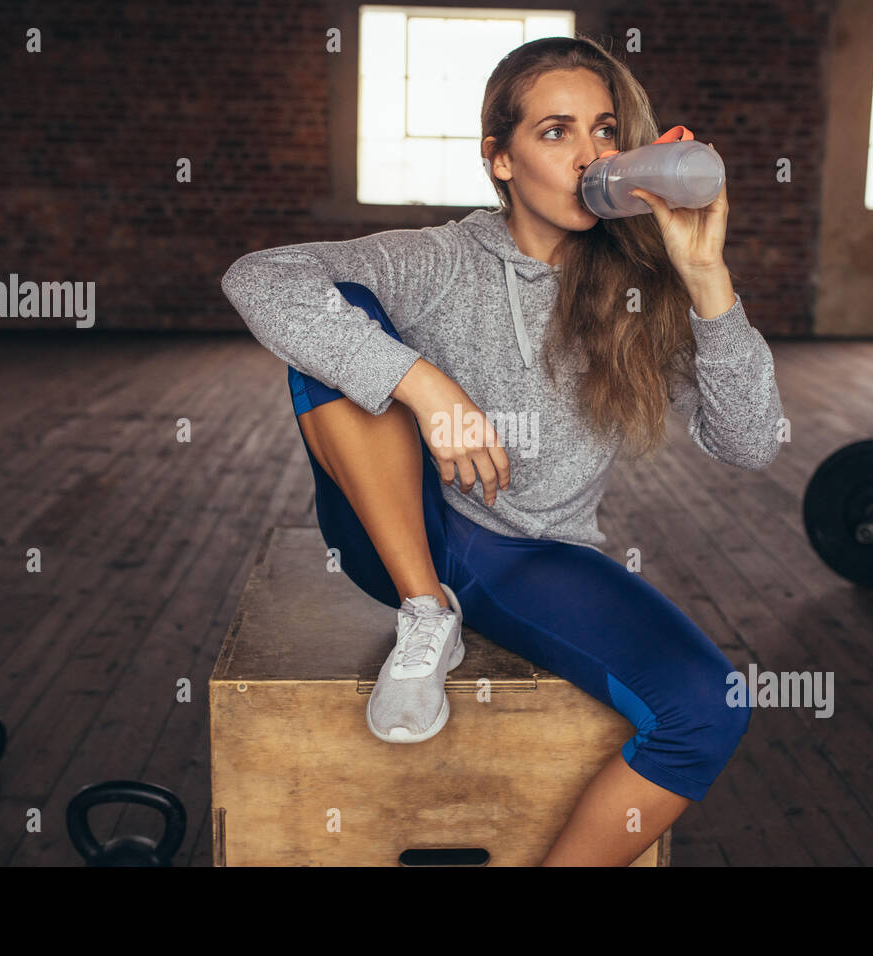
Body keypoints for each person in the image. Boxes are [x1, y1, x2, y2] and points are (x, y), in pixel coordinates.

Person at [221, 33, 784, 866]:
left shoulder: (647, 285)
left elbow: (751, 443)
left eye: (603, 129)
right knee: (333, 315)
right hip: (399, 531)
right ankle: (427, 614)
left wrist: (706, 279)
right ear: (502, 161)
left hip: (534, 556)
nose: (588, 153)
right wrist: (424, 384)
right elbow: (259, 279)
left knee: (708, 708)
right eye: (554, 132)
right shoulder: (444, 259)